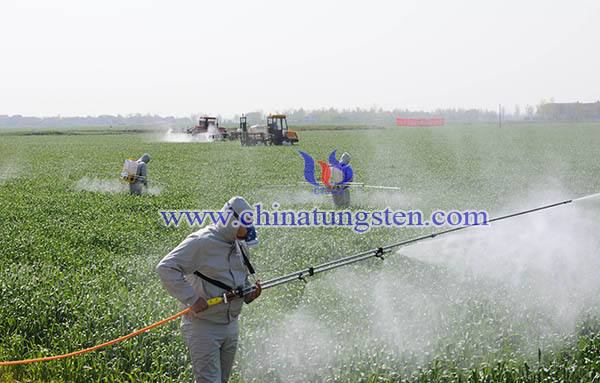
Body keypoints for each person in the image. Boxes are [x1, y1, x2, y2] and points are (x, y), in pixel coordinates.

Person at [156, 196, 262, 383]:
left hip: (231, 324)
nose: (247, 232)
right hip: (203, 327)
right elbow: (166, 268)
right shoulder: (201, 242)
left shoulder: (239, 243)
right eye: (245, 225)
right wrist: (192, 299)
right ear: (232, 222)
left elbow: (240, 276)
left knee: (222, 379)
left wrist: (248, 294)